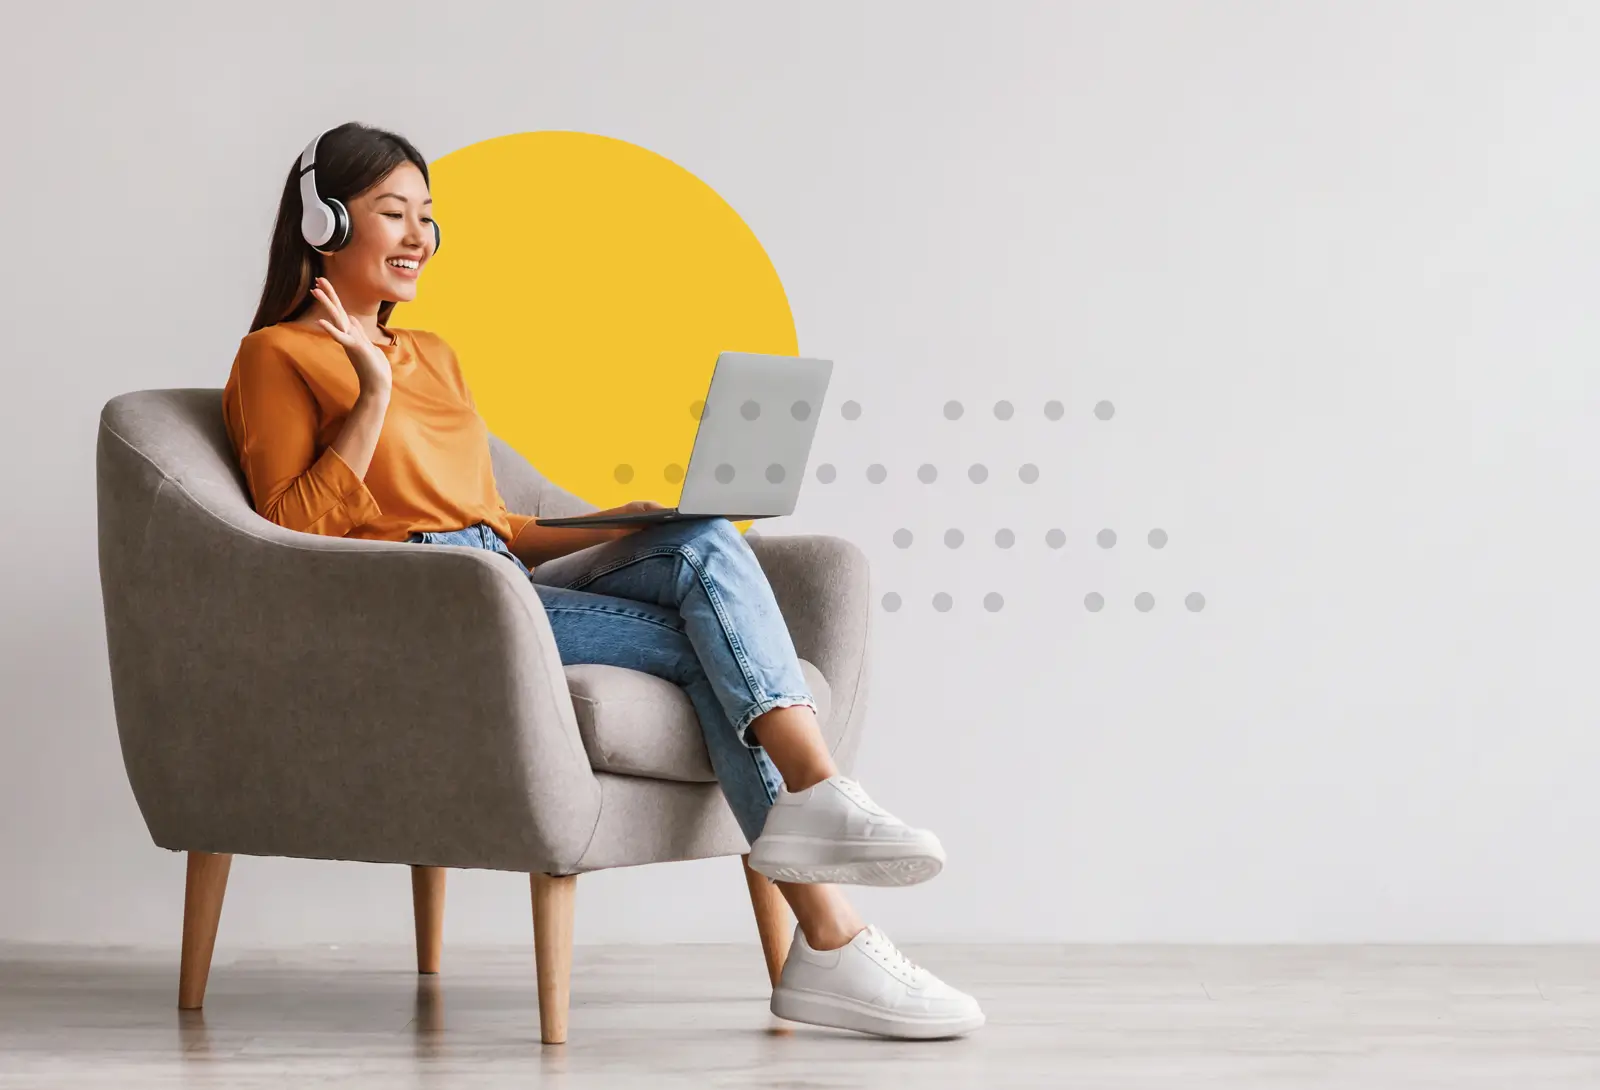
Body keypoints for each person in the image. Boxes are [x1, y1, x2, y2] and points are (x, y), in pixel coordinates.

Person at [222, 122, 983, 1040]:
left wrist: (631, 521)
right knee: (714, 657)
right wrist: (370, 398)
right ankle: (830, 925)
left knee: (702, 539)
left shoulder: (436, 352)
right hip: (432, 607)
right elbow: (291, 534)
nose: (421, 236)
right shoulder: (276, 356)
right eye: (394, 213)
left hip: (499, 575)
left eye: (429, 216)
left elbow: (498, 527)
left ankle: (823, 867)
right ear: (324, 221)